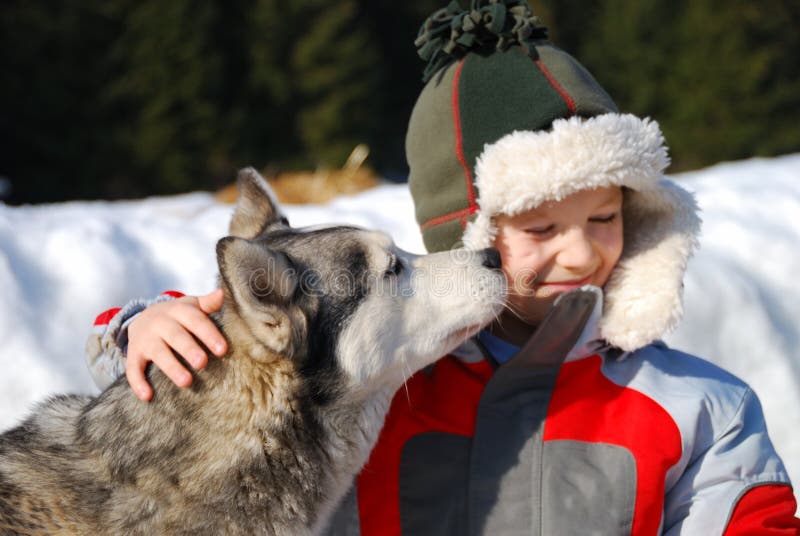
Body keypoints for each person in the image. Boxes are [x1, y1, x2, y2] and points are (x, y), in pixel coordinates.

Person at [86, 1, 800, 533]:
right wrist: (141, 325)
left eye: (606, 218)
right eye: (542, 227)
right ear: (469, 232)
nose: (582, 255)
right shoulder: (381, 379)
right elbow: (235, 387)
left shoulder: (702, 410)